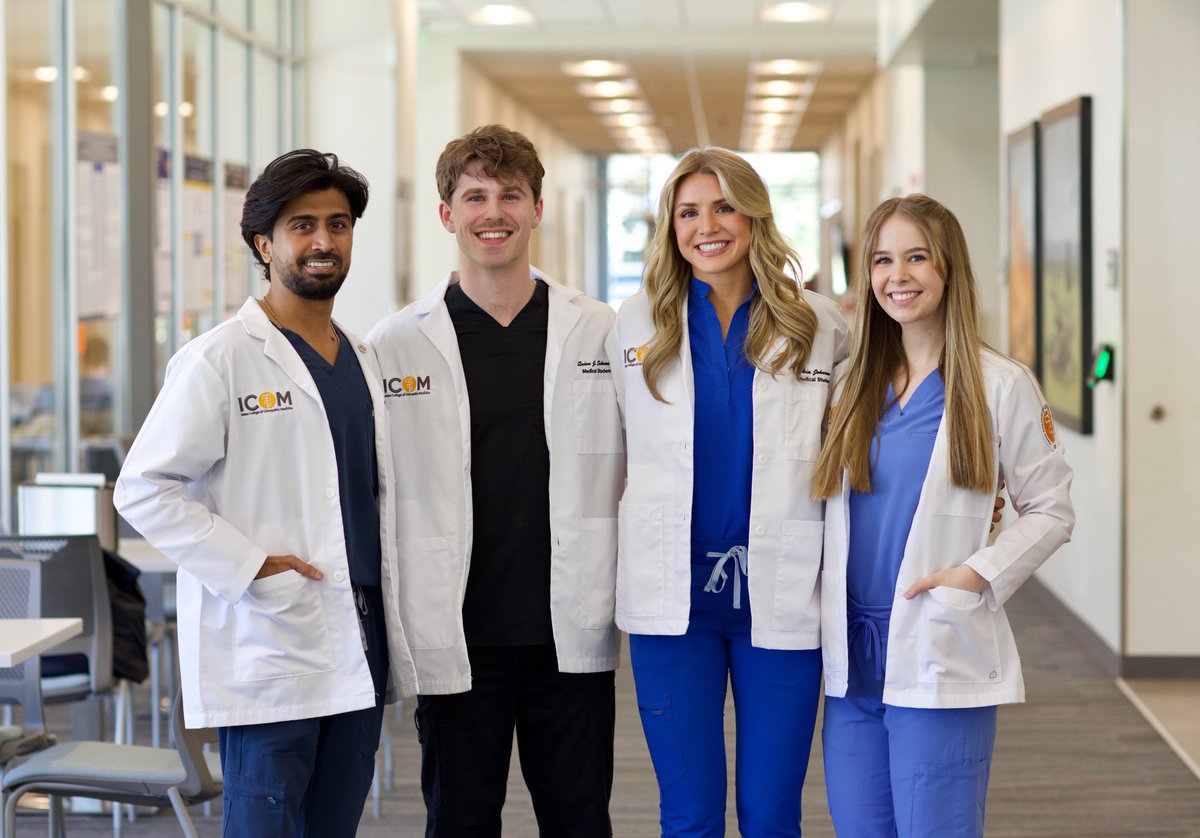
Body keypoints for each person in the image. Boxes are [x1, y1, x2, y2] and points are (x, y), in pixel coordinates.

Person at [115, 149, 418, 838]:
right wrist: (249, 565)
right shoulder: (220, 357)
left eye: (337, 225)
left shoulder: (362, 356)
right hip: (270, 637)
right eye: (302, 225)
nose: (322, 242)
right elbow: (144, 488)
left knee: (333, 825)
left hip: (359, 633)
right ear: (264, 243)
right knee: (264, 825)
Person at [367, 124, 624, 837]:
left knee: (578, 819)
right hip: (457, 627)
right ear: (447, 215)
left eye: (510, 195)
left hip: (566, 627)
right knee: (460, 820)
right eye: (474, 196)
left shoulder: (598, 330)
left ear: (537, 209)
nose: (494, 212)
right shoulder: (397, 343)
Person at [811, 193, 1075, 837]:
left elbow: (1051, 509)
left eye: (916, 257)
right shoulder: (851, 384)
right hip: (851, 659)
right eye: (881, 260)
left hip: (936, 642)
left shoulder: (999, 384)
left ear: (948, 267)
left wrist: (978, 573)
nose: (896, 276)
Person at [605, 146, 850, 836]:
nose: (706, 225)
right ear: (669, 225)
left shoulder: (822, 324)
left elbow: (870, 434)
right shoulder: (633, 322)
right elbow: (602, 452)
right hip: (672, 599)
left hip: (782, 588)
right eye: (687, 211)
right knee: (689, 812)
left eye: (723, 206)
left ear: (754, 215)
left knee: (772, 814)